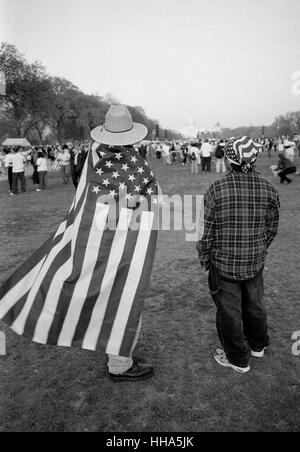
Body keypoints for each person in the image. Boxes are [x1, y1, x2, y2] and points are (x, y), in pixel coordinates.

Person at [0, 104, 158, 383]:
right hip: (121, 240)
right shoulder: (134, 164)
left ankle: (116, 357)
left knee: (104, 290)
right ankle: (120, 363)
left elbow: (84, 190)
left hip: (93, 233)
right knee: (123, 293)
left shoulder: (93, 156)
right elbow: (148, 201)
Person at [197, 136, 280, 374]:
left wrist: (205, 258)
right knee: (254, 305)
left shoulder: (217, 188)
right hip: (253, 260)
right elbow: (271, 228)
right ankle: (257, 345)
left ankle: (238, 358)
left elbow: (206, 232)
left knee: (230, 312)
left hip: (224, 264)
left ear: (230, 159)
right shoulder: (268, 188)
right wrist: (258, 248)